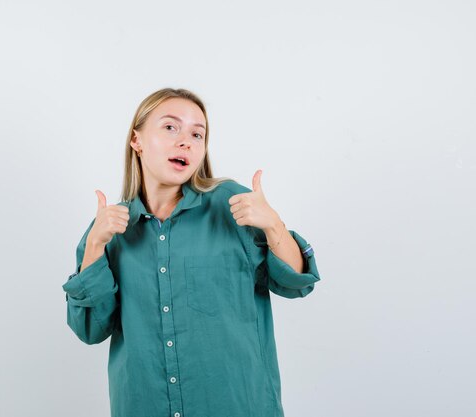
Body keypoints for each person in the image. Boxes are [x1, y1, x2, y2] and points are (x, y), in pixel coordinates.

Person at [62, 87, 321, 417]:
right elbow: (88, 329)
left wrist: (274, 227)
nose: (186, 140)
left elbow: (297, 283)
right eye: (170, 127)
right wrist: (96, 247)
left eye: (197, 134)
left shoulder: (233, 204)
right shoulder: (109, 228)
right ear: (137, 140)